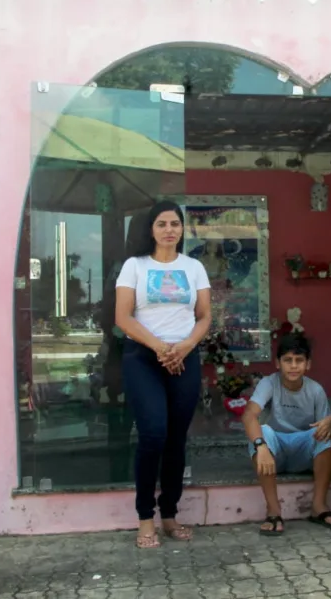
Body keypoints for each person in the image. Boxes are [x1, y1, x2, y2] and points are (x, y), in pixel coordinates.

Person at [114, 200, 212, 549]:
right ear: (151, 230)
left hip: (183, 357)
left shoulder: (195, 267)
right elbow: (123, 318)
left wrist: (183, 347)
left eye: (175, 223)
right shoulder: (134, 266)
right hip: (144, 357)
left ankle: (169, 514)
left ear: (182, 229)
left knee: (175, 438)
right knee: (153, 433)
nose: (169, 229)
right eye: (162, 224)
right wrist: (160, 347)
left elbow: (204, 316)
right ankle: (145, 517)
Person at [242, 332, 331, 535]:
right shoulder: (269, 383)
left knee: (324, 434)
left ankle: (318, 507)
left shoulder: (316, 390)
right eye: (288, 360)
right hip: (273, 452)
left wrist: (330, 421)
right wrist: (260, 445)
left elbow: (325, 426)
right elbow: (249, 415)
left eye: (299, 360)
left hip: (303, 451)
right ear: (277, 363)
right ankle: (273, 511)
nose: (293, 366)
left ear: (308, 364)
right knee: (262, 431)